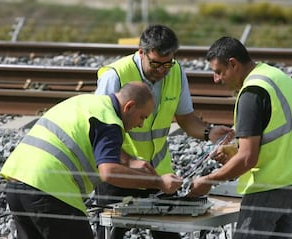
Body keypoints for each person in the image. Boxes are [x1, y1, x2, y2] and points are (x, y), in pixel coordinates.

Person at [93, 24, 232, 239]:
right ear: (141, 52)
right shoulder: (116, 76)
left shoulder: (176, 73)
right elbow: (98, 131)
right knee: (111, 234)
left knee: (168, 233)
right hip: (120, 173)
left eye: (167, 64)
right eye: (156, 63)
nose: (162, 70)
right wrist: (129, 162)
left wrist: (209, 133)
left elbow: (186, 118)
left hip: (158, 173)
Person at [0, 82, 183, 239]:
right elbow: (109, 172)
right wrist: (158, 182)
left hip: (17, 183)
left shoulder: (88, 102)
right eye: (142, 117)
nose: (141, 124)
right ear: (129, 106)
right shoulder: (110, 122)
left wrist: (130, 161)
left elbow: (92, 141)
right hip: (49, 190)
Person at [188, 36, 292, 239]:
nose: (216, 79)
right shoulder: (273, 74)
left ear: (233, 64)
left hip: (276, 180)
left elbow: (247, 159)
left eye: (218, 72)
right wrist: (235, 151)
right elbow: (277, 130)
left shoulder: (251, 94)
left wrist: (209, 180)